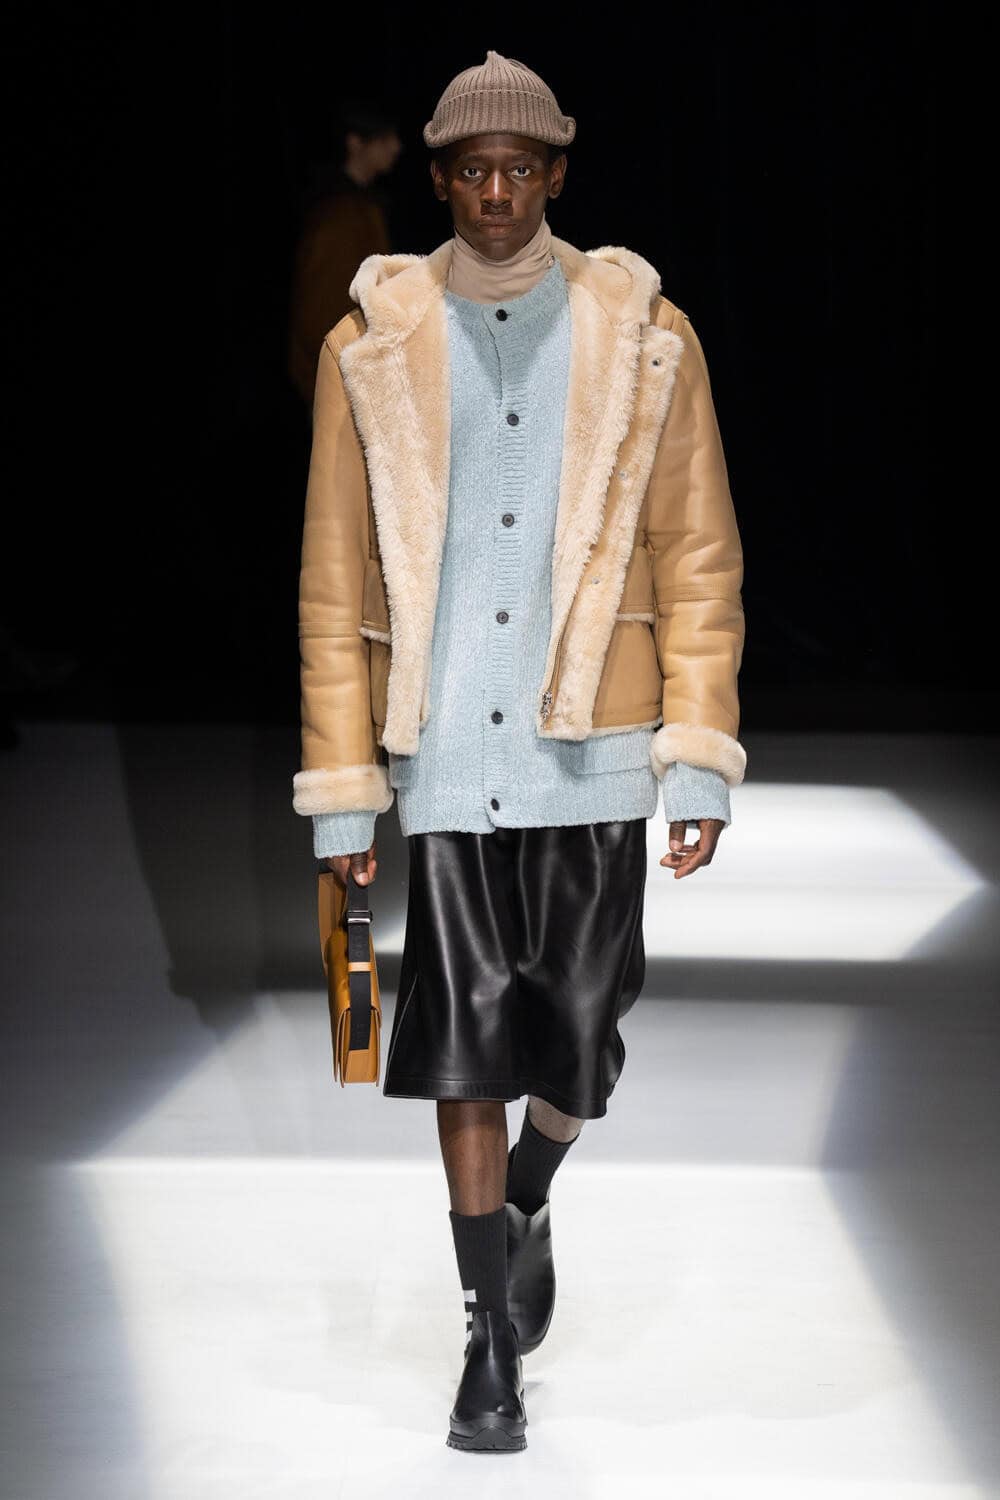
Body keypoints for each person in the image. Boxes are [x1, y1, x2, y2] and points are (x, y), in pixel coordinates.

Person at [291, 50, 746, 1453]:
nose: (496, 194)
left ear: (554, 175)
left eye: (520, 170)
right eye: (473, 172)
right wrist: (344, 795)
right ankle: (487, 1333)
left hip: (594, 744)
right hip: (447, 754)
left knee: (583, 1038)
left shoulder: (645, 335)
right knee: (466, 1044)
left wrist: (696, 754)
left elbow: (698, 555)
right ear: (440, 180)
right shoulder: (373, 343)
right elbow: (331, 581)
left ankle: (532, 1195)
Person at [287, 99, 402, 409]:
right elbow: (320, 311)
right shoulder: (337, 214)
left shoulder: (365, 206)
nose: (396, 147)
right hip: (342, 385)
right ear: (355, 143)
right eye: (384, 138)